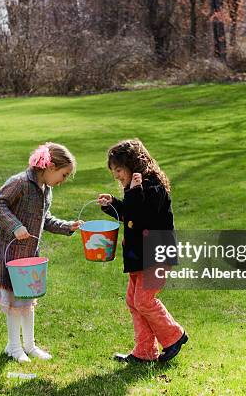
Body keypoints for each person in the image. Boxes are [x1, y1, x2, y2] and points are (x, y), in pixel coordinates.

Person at [0, 143, 82, 363]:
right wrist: (15, 226)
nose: (62, 181)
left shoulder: (46, 189)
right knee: (14, 304)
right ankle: (14, 348)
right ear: (50, 167)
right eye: (63, 175)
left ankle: (29, 345)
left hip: (29, 257)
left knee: (27, 302)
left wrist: (67, 226)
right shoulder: (20, 183)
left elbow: (45, 219)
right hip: (9, 256)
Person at [98, 139, 187, 363]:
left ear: (132, 164)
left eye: (118, 170)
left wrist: (134, 192)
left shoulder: (153, 185)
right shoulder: (135, 186)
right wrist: (113, 205)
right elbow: (131, 214)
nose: (116, 175)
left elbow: (142, 218)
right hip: (140, 254)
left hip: (157, 251)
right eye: (114, 172)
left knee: (145, 301)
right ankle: (145, 351)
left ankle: (174, 335)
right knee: (133, 300)